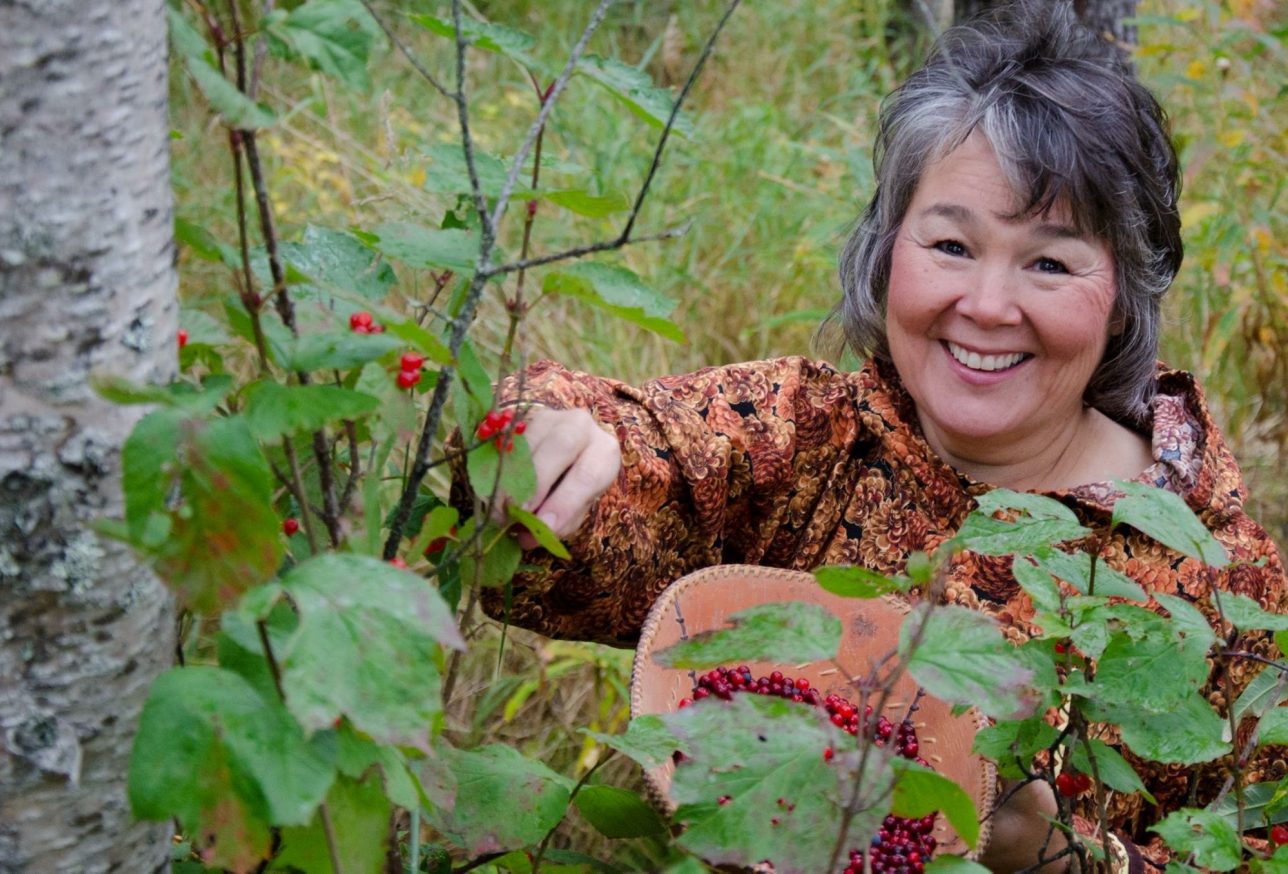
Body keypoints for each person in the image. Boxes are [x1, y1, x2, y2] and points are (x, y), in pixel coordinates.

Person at [460, 2, 1287, 870]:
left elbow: (1259, 842)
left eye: (1048, 262)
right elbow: (644, 446)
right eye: (952, 244)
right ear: (888, 249)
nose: (988, 306)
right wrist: (550, 434)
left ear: (1123, 295)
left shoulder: (1216, 586)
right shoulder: (813, 436)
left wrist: (1052, 857)